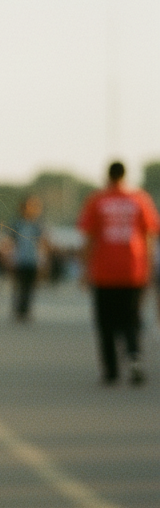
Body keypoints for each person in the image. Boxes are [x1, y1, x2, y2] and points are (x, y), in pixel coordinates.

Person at [77, 161, 160, 385]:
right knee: (131, 319)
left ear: (107, 175)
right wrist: (148, 268)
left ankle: (111, 369)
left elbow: (89, 238)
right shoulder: (140, 199)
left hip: (104, 271)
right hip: (133, 271)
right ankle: (134, 357)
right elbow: (150, 236)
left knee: (106, 322)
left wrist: (85, 270)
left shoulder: (97, 200)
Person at [9, 195, 45, 321]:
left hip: (32, 259)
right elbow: (11, 243)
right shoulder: (17, 224)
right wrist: (10, 259)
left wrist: (42, 262)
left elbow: (41, 244)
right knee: (19, 285)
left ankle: (26, 310)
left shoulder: (37, 225)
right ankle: (18, 310)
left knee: (30, 287)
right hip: (19, 259)